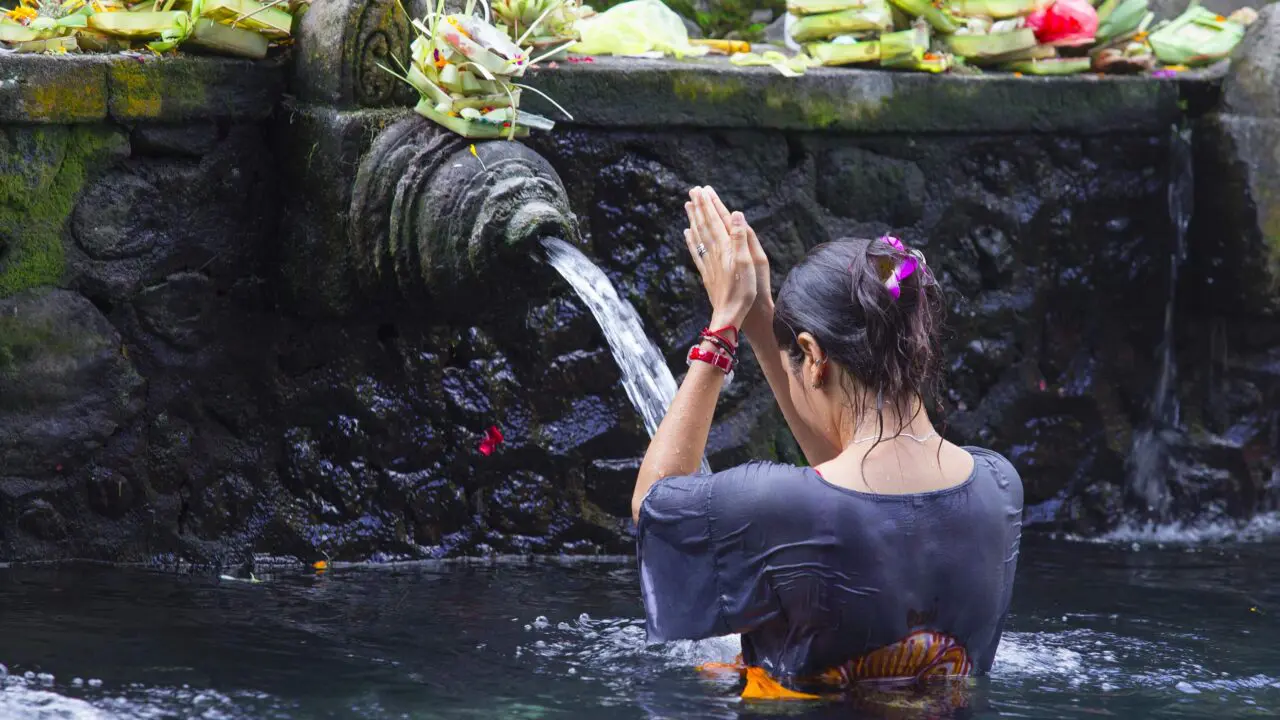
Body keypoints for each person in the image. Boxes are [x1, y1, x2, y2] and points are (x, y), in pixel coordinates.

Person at [630, 186, 1024, 700]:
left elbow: (654, 508)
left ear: (813, 357)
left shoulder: (777, 505)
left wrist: (724, 327)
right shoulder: (998, 486)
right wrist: (764, 325)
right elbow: (853, 490)